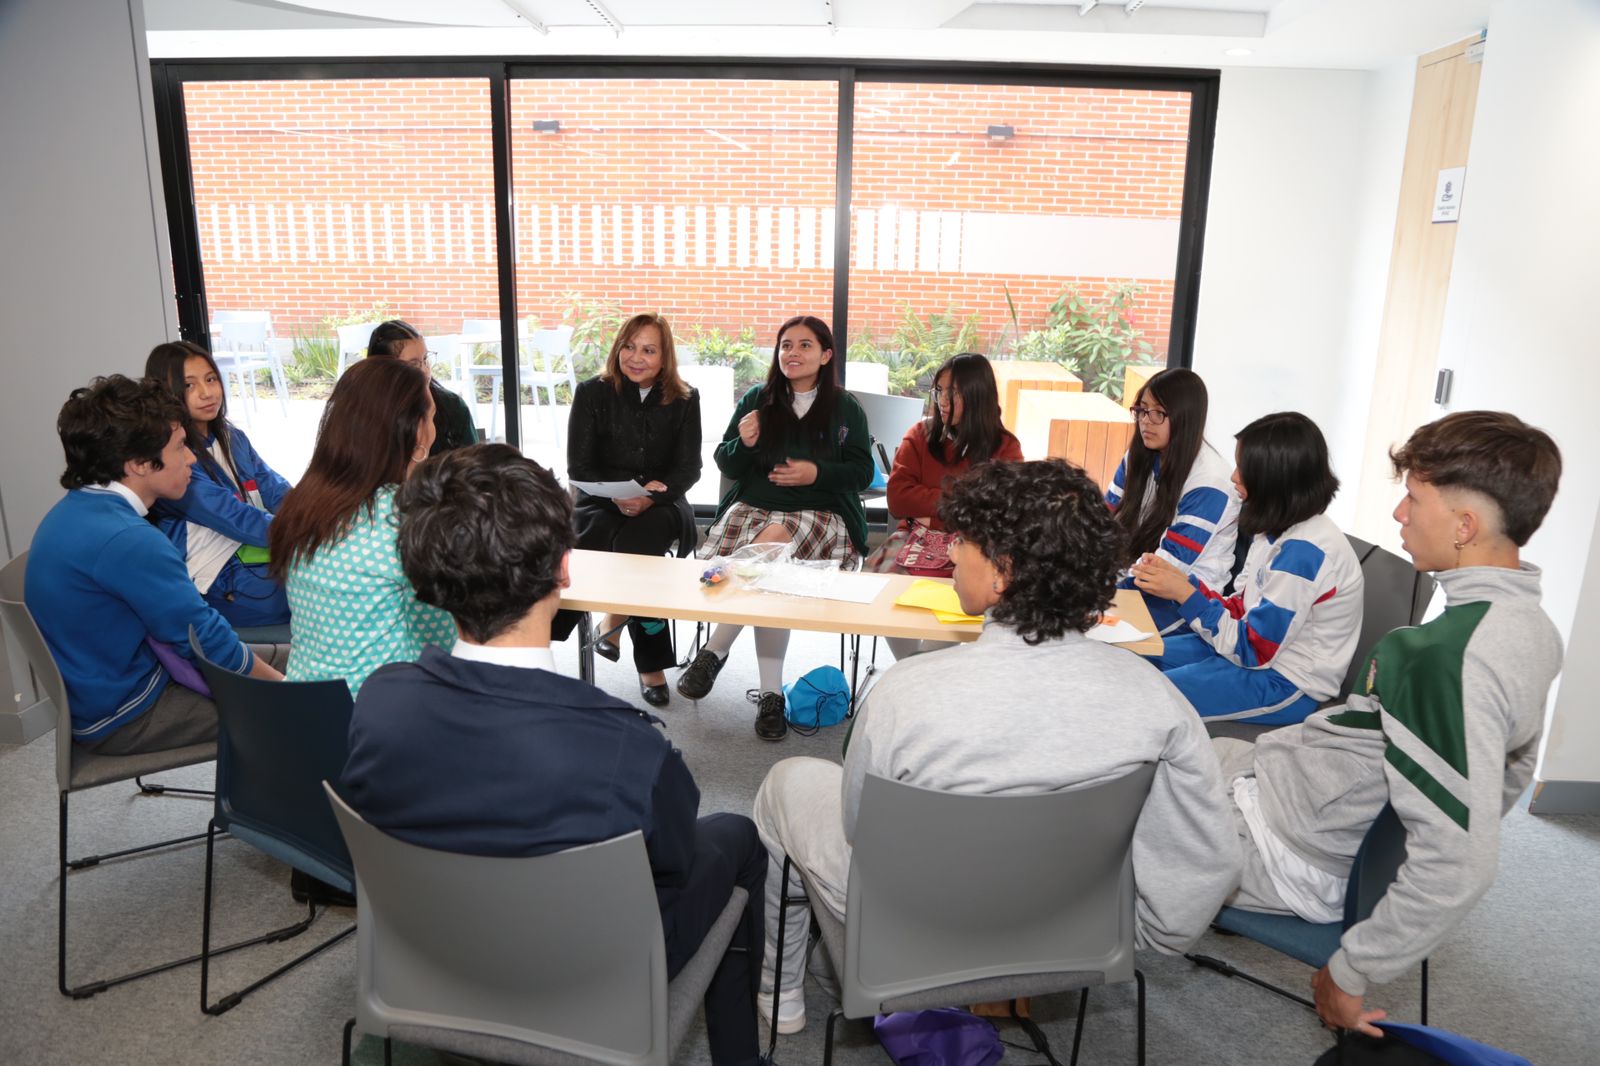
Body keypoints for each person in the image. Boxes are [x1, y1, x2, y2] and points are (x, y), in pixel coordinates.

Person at [751, 459, 1241, 1034]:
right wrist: (1143, 932)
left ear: (1003, 572)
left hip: (915, 926)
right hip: (1070, 933)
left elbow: (859, 827)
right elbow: (1211, 857)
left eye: (965, 540)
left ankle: (778, 991)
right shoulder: (1156, 700)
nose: (951, 552)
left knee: (786, 781)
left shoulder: (904, 694)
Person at [341, 445, 767, 1066]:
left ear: (425, 576)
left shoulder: (379, 701)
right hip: (589, 976)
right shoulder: (625, 745)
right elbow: (673, 860)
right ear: (566, 569)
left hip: (433, 951)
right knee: (738, 837)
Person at [1209, 411, 1563, 1038]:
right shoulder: (1530, 632)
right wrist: (1381, 852)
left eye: (1413, 497)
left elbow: (1460, 863)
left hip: (1283, 841)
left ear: (1465, 525)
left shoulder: (1442, 658)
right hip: (1297, 802)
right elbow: (1501, 785)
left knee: (1108, 793)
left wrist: (1351, 968)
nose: (1399, 513)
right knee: (1190, 747)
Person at [27, 375, 287, 755]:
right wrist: (283, 688)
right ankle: (265, 811)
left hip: (104, 686)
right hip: (127, 712)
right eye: (181, 447)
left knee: (296, 663)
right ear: (139, 464)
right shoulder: (128, 539)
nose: (192, 458)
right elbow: (207, 643)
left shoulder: (78, 509)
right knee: (296, 710)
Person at [677, 316, 874, 741]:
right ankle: (771, 698)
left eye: (804, 346)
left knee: (772, 547)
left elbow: (862, 473)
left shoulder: (845, 407)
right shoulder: (758, 398)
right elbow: (727, 464)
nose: (792, 353)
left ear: (825, 356)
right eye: (786, 345)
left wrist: (815, 473)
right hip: (753, 510)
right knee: (769, 577)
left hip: (820, 516)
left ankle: (714, 651)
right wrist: (744, 444)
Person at [1132, 412, 1363, 725]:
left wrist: (1185, 594)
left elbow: (1252, 650)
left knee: (1146, 696)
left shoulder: (1302, 554)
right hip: (1251, 657)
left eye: (1244, 469)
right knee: (1130, 659)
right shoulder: (1272, 530)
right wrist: (1183, 582)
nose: (1233, 477)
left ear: (1273, 479)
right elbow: (1241, 610)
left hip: (1286, 683)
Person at [268, 357, 455, 695]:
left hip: (304, 714)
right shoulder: (404, 520)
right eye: (431, 418)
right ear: (416, 432)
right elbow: (444, 639)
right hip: (380, 721)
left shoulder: (305, 504)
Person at [552, 312, 702, 707]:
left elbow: (689, 468)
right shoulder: (591, 393)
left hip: (662, 502)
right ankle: (636, 649)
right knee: (596, 535)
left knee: (640, 540)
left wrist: (654, 496)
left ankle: (618, 625)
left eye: (649, 350)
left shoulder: (686, 399)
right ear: (618, 348)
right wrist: (616, 496)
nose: (637, 357)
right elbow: (578, 467)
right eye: (629, 347)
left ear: (664, 356)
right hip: (600, 499)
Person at [879, 351, 1022, 660]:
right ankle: (913, 669)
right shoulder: (920, 434)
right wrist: (963, 503)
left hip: (975, 547)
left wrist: (931, 512)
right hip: (914, 540)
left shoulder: (1006, 446)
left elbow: (998, 514)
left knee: (964, 603)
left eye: (953, 393)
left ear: (977, 395)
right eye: (939, 390)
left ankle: (920, 672)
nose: (943, 400)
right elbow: (897, 499)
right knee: (884, 597)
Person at [143, 340, 293, 628]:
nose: (207, 392)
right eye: (189, 385)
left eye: (211, 379)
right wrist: (307, 531)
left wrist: (317, 515)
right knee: (322, 587)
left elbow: (274, 489)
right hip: (216, 577)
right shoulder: (173, 457)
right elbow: (235, 517)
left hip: (253, 554)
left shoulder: (231, 437)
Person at [1106, 367, 1240, 634]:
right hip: (1131, 580)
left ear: (1184, 419)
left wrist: (1098, 595)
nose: (1146, 421)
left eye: (1158, 413)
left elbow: (1165, 569)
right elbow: (1104, 520)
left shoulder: (1210, 482)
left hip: (1184, 602)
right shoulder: (1139, 455)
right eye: (1142, 410)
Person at [363, 319, 477, 454]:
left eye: (424, 359)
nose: (425, 370)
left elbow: (473, 467)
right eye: (414, 364)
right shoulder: (362, 412)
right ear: (384, 370)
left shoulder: (452, 406)